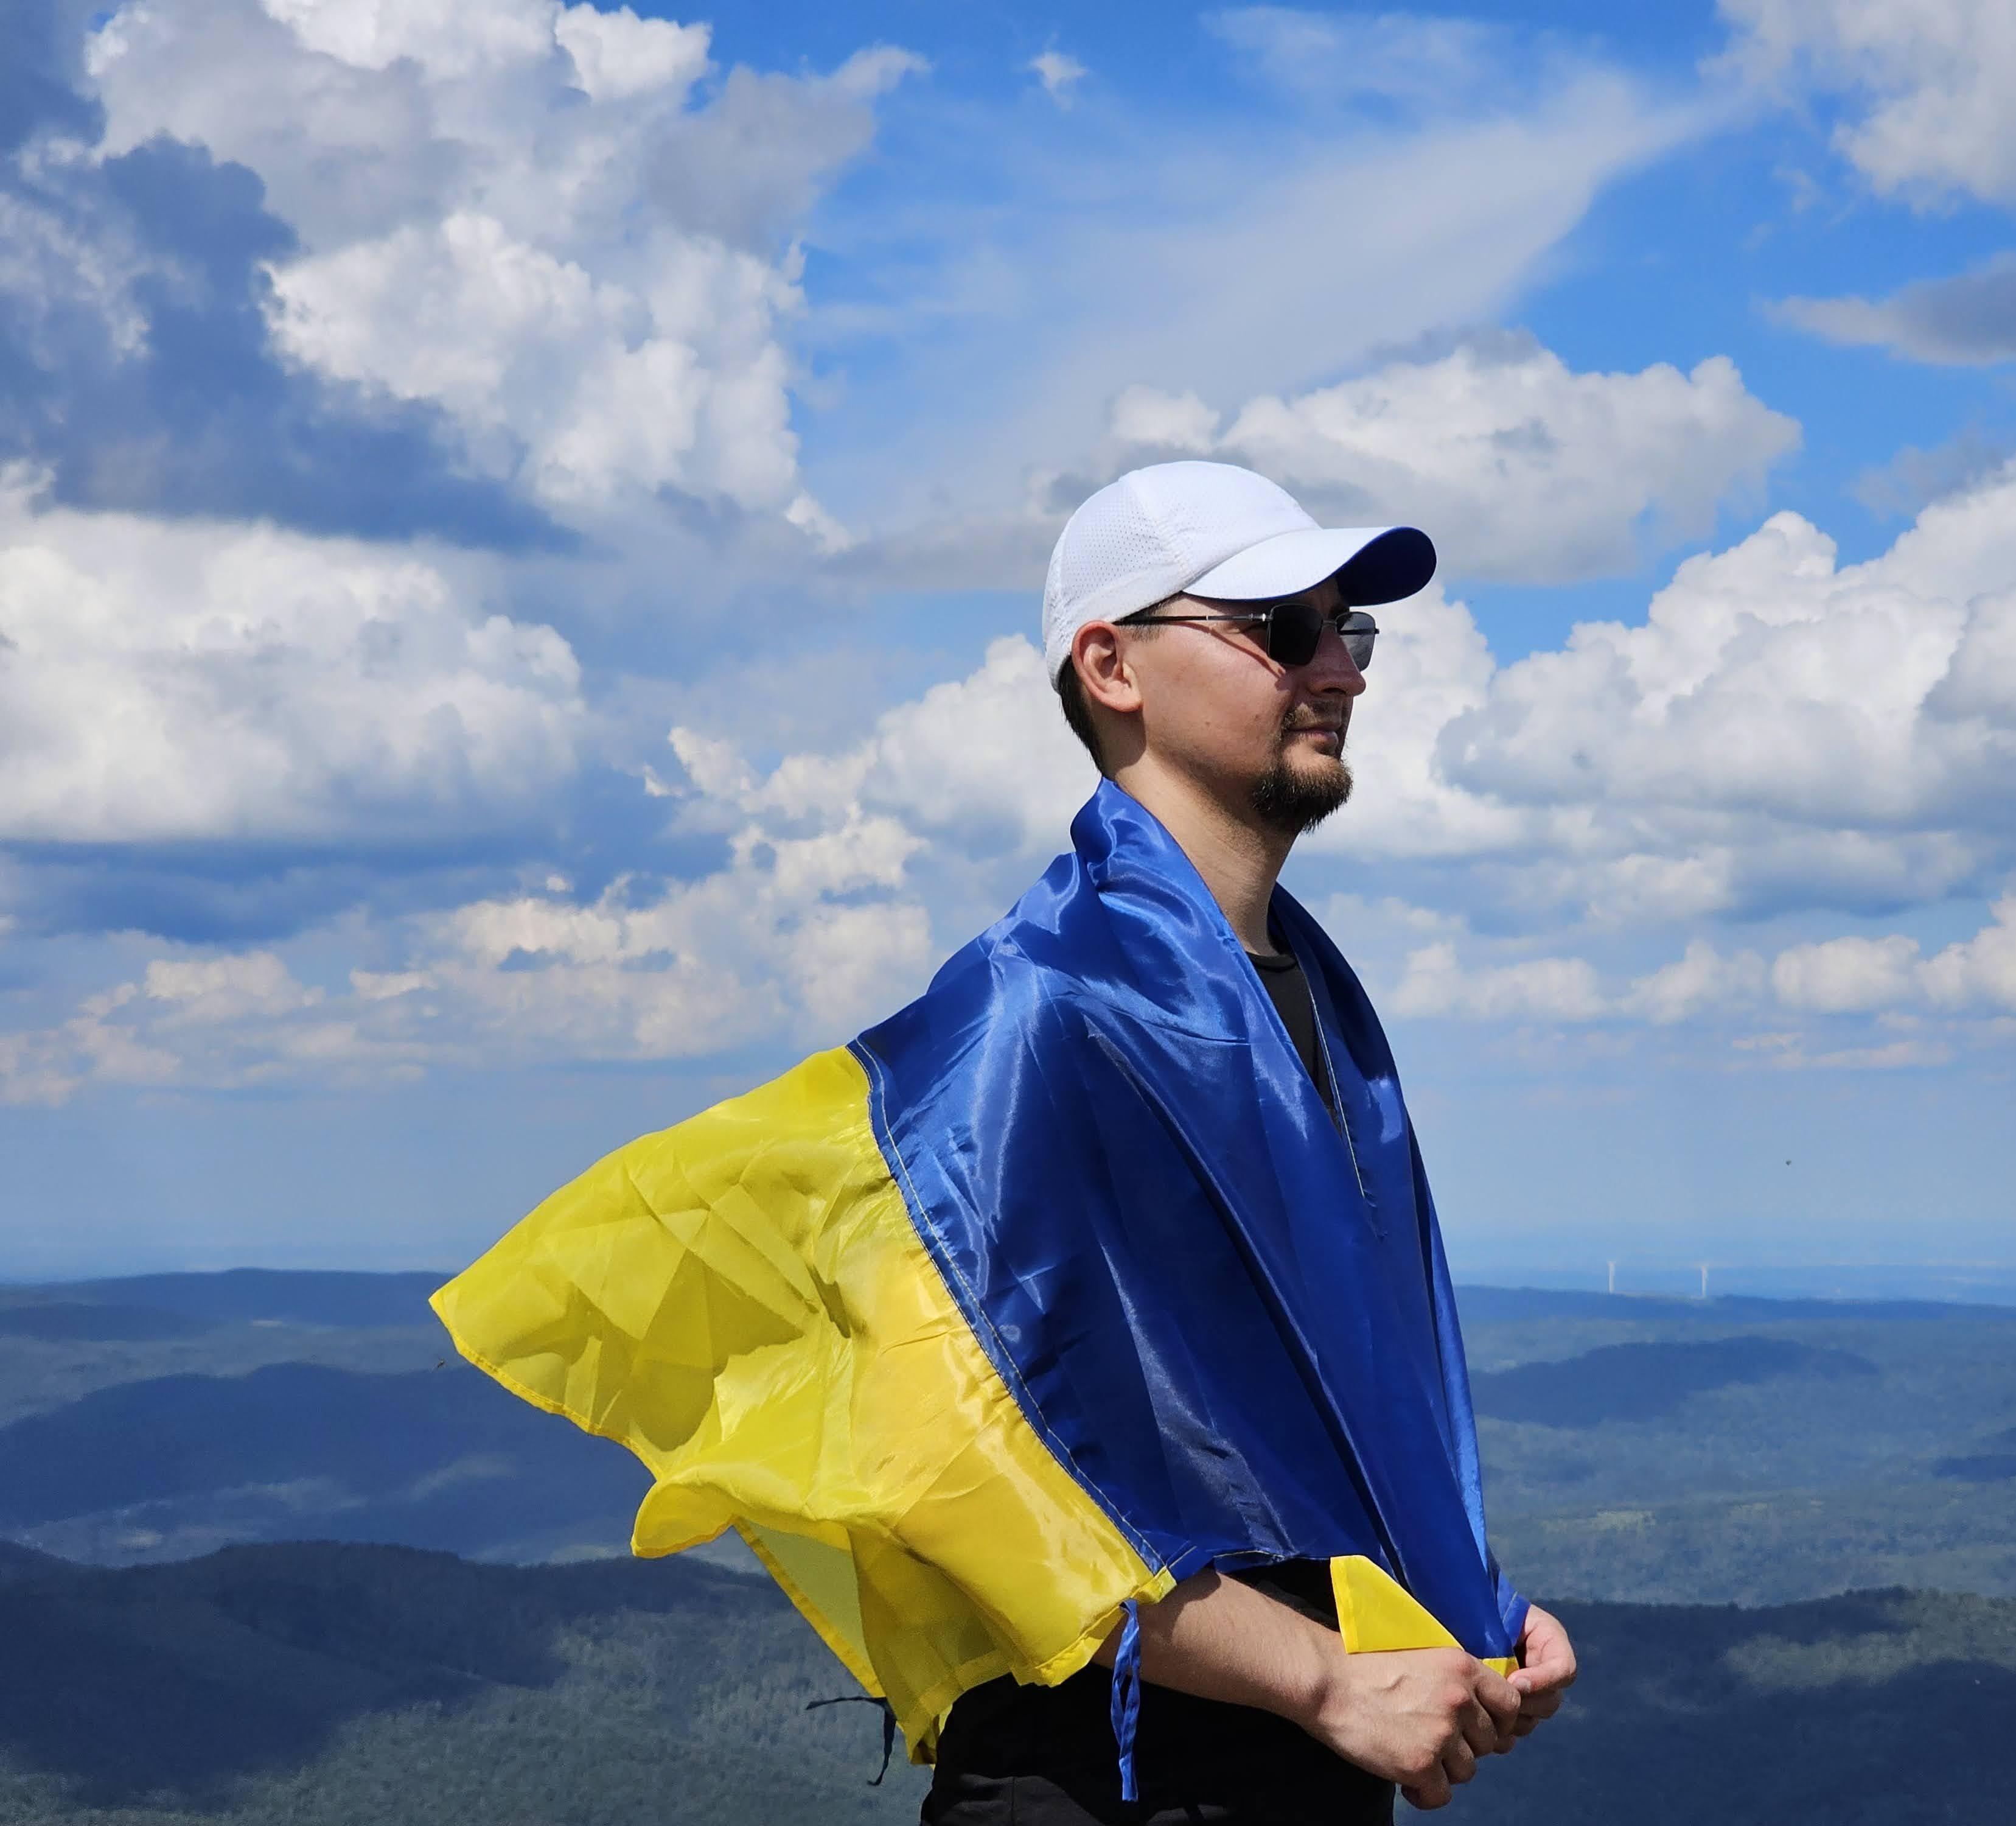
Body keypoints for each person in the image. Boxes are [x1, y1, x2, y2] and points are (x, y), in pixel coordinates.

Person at [431, 461, 1574, 1826]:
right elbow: (945, 1462)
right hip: (1108, 1787)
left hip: (1293, 1765)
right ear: (1112, 665)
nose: (1342, 671)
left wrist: (1467, 1616)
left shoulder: (1307, 997)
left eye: (1350, 630)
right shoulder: (1040, 1010)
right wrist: (1327, 1683)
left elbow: (1318, 1404)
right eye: (1282, 630)